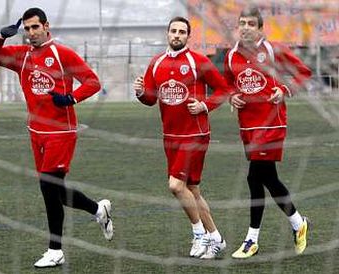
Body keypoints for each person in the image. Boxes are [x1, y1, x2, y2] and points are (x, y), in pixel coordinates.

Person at [0, 7, 113, 268]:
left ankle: (55, 250)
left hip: (61, 132)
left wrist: (71, 98)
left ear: (46, 26)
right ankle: (99, 210)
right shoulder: (21, 56)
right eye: (27, 28)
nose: (31, 33)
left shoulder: (61, 53)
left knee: (48, 188)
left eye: (35, 27)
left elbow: (92, 82)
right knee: (56, 192)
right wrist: (0, 35)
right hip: (36, 133)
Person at [133, 16, 231, 259]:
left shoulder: (198, 61)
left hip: (195, 134)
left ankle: (198, 234)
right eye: (173, 31)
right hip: (170, 136)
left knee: (176, 186)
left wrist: (205, 105)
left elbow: (223, 89)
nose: (177, 35)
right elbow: (150, 99)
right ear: (167, 34)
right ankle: (216, 237)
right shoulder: (156, 63)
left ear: (189, 36)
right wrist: (140, 93)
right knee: (192, 190)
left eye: (182, 32)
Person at [224, 6, 312, 258]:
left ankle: (252, 239)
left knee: (255, 177)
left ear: (261, 29)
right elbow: (229, 83)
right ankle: (298, 223)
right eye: (242, 23)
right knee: (266, 179)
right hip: (248, 127)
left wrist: (283, 90)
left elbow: (303, 73)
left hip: (271, 124)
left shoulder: (273, 50)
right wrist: (233, 96)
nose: (246, 28)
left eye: (252, 24)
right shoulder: (232, 56)